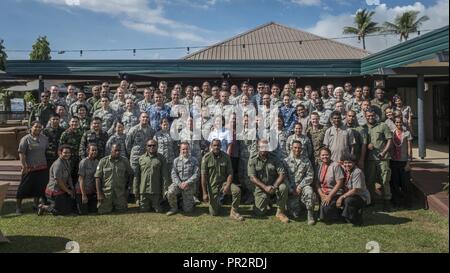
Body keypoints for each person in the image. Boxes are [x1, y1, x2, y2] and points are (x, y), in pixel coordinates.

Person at [201, 139, 244, 221]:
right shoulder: (206, 158)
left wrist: (227, 186)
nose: (216, 147)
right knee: (214, 213)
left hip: (223, 184)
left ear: (221, 146)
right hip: (212, 186)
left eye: (218, 145)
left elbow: (230, 173)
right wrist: (204, 193)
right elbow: (203, 176)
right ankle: (217, 203)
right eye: (214, 145)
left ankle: (234, 212)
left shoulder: (226, 157)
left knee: (237, 190)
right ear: (211, 146)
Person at [248, 139, 289, 223]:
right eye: (261, 147)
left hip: (274, 186)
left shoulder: (274, 158)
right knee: (260, 213)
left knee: (283, 187)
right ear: (258, 148)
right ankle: (265, 202)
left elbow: (282, 174)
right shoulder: (253, 159)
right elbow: (252, 177)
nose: (263, 149)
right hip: (261, 187)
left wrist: (274, 186)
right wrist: (265, 187)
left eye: (265, 147)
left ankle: (280, 212)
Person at [16, 121, 49, 214]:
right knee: (23, 188)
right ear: (31, 128)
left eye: (39, 127)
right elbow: (21, 153)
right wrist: (24, 166)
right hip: (29, 168)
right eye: (36, 127)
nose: (38, 129)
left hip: (42, 167)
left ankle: (36, 204)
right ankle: (18, 207)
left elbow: (45, 150)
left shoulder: (45, 139)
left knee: (39, 188)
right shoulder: (25, 139)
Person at [365, 110, 393, 211]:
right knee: (370, 181)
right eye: (368, 115)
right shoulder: (364, 127)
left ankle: (387, 202)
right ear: (365, 116)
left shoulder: (383, 125)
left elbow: (389, 139)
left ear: (375, 115)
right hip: (370, 159)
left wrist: (384, 152)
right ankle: (371, 201)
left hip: (382, 158)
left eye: (372, 115)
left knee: (385, 180)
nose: (370, 117)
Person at [284, 141, 316, 225]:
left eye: (299, 148)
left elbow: (310, 175)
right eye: (295, 147)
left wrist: (300, 186)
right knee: (295, 214)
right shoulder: (285, 161)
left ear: (301, 149)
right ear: (291, 148)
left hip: (302, 188)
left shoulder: (306, 160)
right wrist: (291, 189)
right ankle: (300, 205)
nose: (297, 149)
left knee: (309, 191)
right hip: (291, 191)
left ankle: (310, 215)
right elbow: (284, 178)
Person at [95, 144, 133, 214]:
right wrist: (99, 194)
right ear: (111, 151)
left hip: (120, 193)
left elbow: (131, 174)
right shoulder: (103, 161)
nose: (117, 152)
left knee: (122, 210)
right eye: (115, 150)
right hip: (106, 193)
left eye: (119, 151)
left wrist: (128, 188)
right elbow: (97, 178)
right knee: (103, 212)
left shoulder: (124, 161)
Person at [38, 145, 75, 216]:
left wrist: (72, 188)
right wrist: (68, 191)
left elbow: (69, 176)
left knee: (69, 209)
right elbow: (58, 181)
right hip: (54, 191)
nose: (67, 154)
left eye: (69, 153)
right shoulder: (58, 165)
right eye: (65, 152)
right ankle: (43, 207)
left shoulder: (67, 162)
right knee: (61, 212)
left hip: (62, 189)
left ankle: (52, 204)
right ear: (59, 153)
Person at [126, 112, 155, 202]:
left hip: (146, 157)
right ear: (139, 118)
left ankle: (143, 195)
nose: (145, 119)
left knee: (144, 176)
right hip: (135, 157)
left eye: (147, 117)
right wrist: (132, 153)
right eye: (143, 117)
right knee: (135, 176)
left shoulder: (151, 130)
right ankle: (135, 196)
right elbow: (128, 143)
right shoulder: (134, 129)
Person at [136, 139, 169, 212]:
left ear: (157, 147)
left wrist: (165, 191)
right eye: (149, 145)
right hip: (143, 191)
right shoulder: (141, 158)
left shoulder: (161, 158)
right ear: (146, 147)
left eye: (154, 145)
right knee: (143, 209)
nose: (152, 147)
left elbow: (165, 177)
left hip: (156, 191)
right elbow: (137, 177)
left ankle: (157, 203)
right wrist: (136, 193)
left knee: (158, 210)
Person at [166, 143, 200, 216]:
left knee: (188, 210)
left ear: (189, 149)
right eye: (183, 149)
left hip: (189, 185)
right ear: (180, 150)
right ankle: (174, 208)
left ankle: (190, 200)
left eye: (187, 149)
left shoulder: (194, 160)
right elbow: (173, 174)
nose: (185, 151)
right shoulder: (176, 160)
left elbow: (196, 174)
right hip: (178, 184)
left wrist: (187, 183)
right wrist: (179, 184)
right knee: (170, 192)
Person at [338, 154, 371, 226]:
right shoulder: (346, 169)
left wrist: (342, 197)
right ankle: (346, 217)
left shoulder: (357, 172)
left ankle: (355, 219)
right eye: (345, 163)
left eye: (350, 162)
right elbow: (340, 163)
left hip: (361, 196)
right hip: (350, 195)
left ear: (354, 163)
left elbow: (355, 190)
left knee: (348, 200)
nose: (347, 165)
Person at [316, 147, 344, 223]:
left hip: (334, 192)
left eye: (327, 155)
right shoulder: (319, 166)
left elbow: (340, 182)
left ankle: (338, 212)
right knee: (323, 216)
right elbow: (317, 183)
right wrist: (321, 195)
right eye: (323, 155)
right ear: (320, 156)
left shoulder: (336, 166)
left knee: (325, 216)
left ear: (330, 155)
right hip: (323, 192)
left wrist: (329, 196)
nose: (325, 157)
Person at [390, 116, 413, 208]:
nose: (398, 124)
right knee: (394, 183)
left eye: (400, 122)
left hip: (403, 162)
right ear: (394, 123)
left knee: (405, 183)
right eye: (397, 122)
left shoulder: (407, 133)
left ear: (402, 123)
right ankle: (396, 202)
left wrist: (408, 162)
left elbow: (409, 149)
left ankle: (407, 203)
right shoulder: (392, 133)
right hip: (394, 161)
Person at [76, 144, 99, 215]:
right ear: (88, 151)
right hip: (82, 191)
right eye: (92, 150)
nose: (94, 152)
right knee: (83, 213)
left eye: (96, 150)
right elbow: (81, 179)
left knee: (93, 211)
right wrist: (83, 195)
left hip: (91, 191)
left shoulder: (97, 162)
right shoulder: (83, 162)